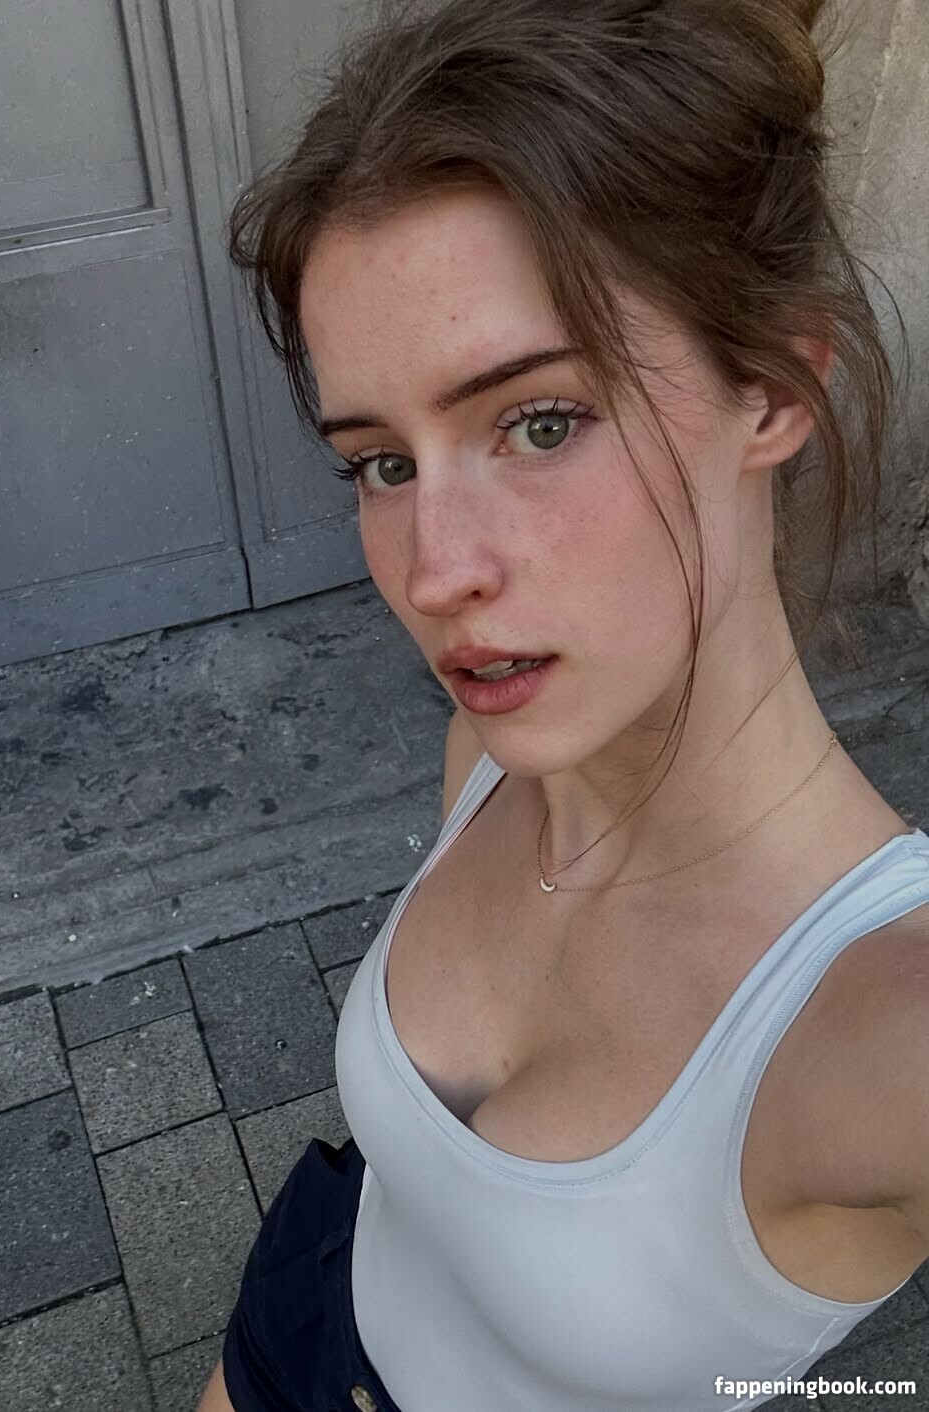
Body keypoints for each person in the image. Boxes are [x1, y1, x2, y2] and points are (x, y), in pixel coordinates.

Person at [199, 1, 929, 1408]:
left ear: (774, 389)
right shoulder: (491, 754)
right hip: (301, 1309)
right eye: (382, 463)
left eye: (538, 423)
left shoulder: (882, 1021)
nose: (435, 574)